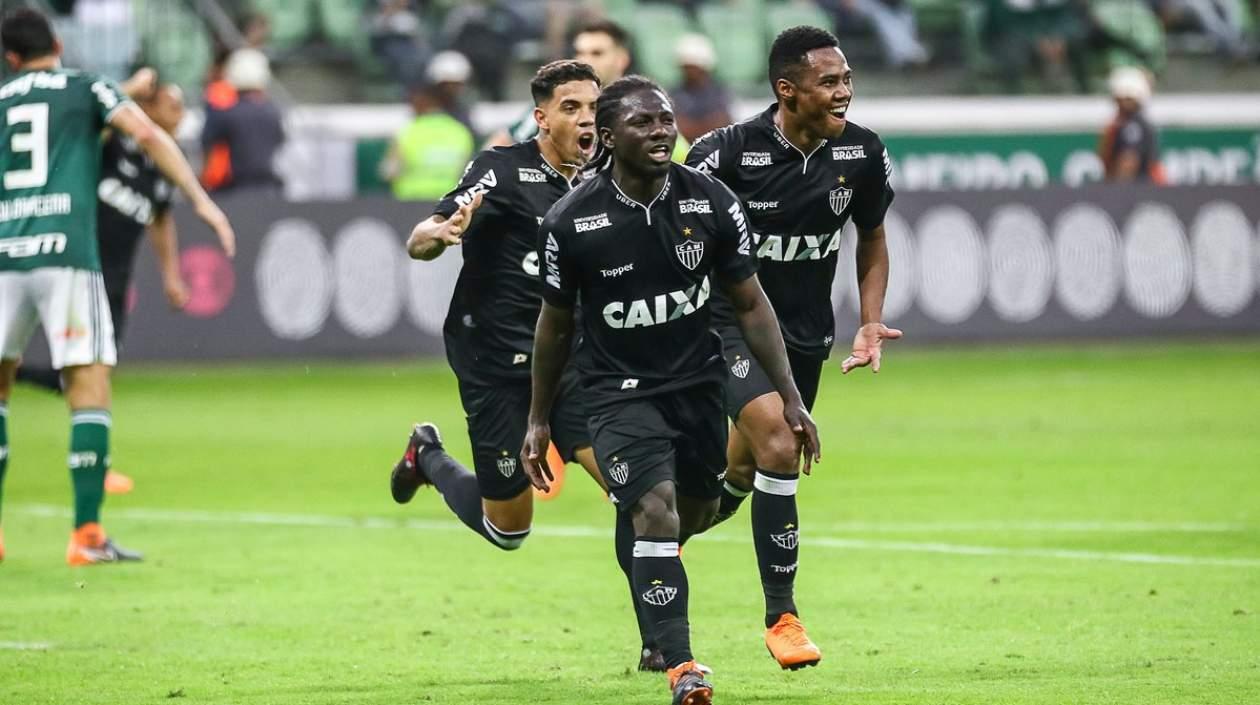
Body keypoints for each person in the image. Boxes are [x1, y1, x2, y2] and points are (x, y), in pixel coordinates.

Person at [521, 75, 821, 705]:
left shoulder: (709, 200)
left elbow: (749, 302)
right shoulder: (571, 221)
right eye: (644, 123)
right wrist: (539, 419)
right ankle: (680, 665)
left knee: (695, 511)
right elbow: (554, 324)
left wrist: (790, 396)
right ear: (608, 137)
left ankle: (655, 546)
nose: (662, 131)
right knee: (655, 509)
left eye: (665, 120)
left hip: (695, 384)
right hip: (616, 393)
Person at [684, 25, 901, 670]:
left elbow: (872, 237)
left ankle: (654, 546)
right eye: (829, 83)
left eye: (847, 81)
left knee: (745, 472)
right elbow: (674, 234)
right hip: (725, 327)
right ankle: (783, 617)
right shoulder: (724, 154)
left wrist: (869, 320)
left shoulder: (860, 153)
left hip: (803, 338)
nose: (844, 94)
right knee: (781, 439)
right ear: (788, 90)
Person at [0, 8, 235, 565]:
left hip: (6, 256)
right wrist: (201, 201)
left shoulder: (4, 99)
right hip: (68, 256)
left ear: (10, 58)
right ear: (57, 42)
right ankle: (86, 537)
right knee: (88, 388)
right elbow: (148, 133)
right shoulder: (87, 87)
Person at [14, 72, 205, 495]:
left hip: (114, 278)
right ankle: (94, 467)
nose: (180, 115)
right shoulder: (112, 145)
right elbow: (86, 117)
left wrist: (171, 273)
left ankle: (28, 380)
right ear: (148, 110)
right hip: (78, 266)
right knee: (91, 369)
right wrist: (130, 91)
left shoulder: (161, 169)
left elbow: (160, 220)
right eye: (172, 105)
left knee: (98, 367)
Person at [484, 19, 631, 148]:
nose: (585, 60)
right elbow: (501, 143)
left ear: (621, 59)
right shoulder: (556, 102)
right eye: (580, 52)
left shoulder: (640, 109)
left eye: (596, 53)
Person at [199, 48, 285, 195]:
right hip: (269, 189)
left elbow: (207, 145)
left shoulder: (226, 114)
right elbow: (280, 140)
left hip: (234, 191)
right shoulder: (273, 112)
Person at [379, 74, 476, 201]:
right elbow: (468, 173)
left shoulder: (407, 132)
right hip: (448, 205)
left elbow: (390, 172)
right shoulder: (461, 132)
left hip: (408, 204)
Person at [1099, 65, 1165, 183]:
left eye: (1119, 98)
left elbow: (1128, 163)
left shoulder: (1132, 127)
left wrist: (1114, 193)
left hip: (1138, 193)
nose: (1116, 103)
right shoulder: (1137, 123)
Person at [671, 33, 732, 143]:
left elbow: (723, 123)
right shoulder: (675, 94)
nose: (688, 71)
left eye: (692, 66)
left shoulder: (718, 92)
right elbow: (677, 126)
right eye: (685, 66)